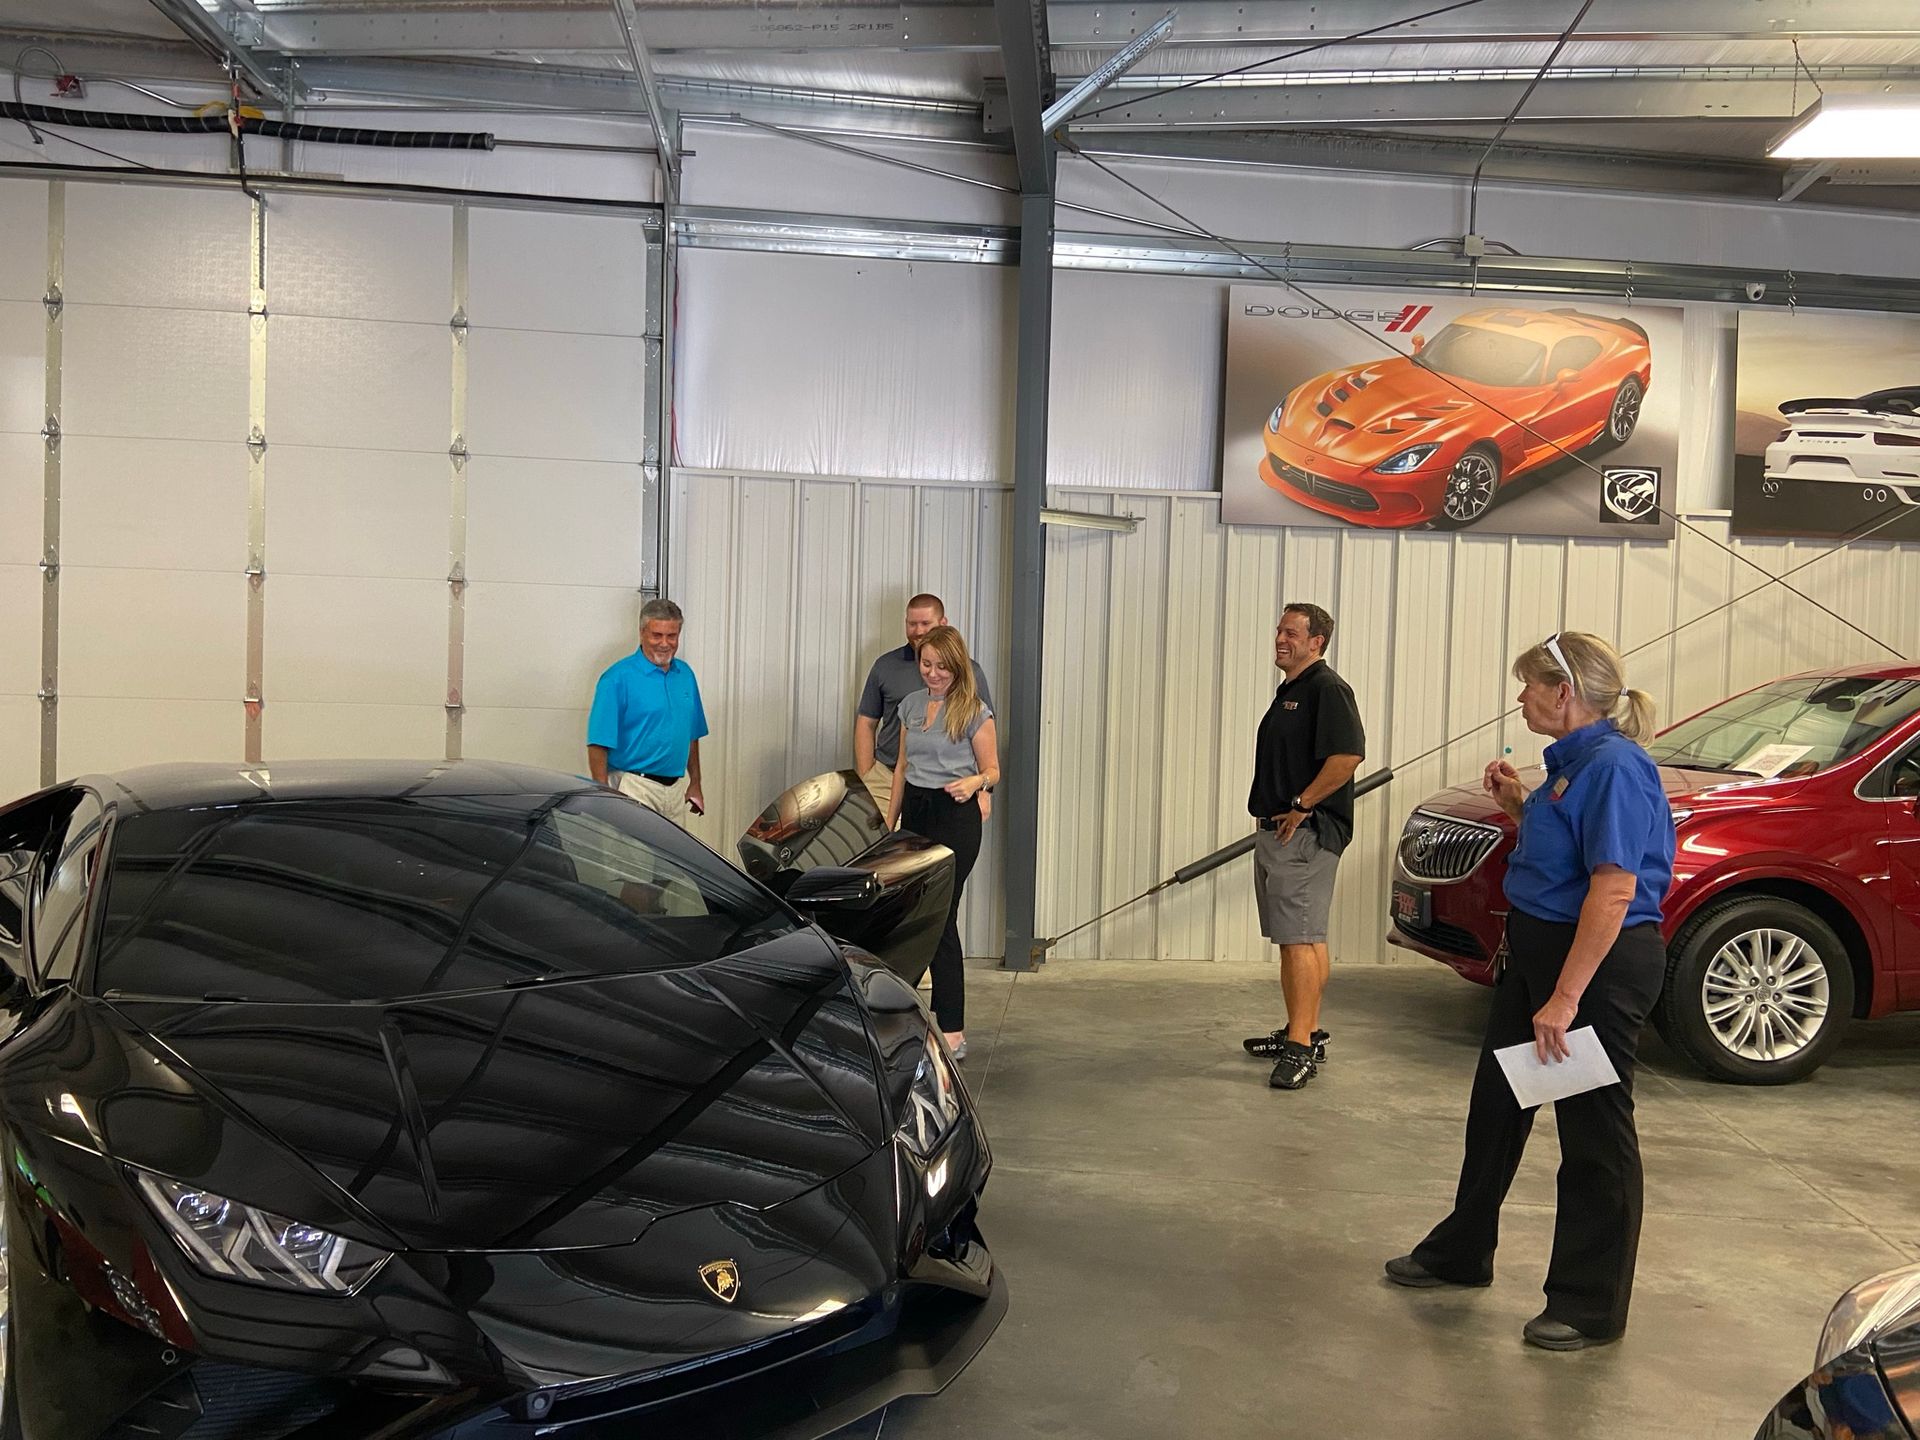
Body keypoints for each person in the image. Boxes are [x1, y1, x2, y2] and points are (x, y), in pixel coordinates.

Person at [1385, 631, 1676, 1353]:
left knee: (1592, 1134)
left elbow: (1612, 891)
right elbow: (1570, 857)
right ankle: (1461, 1251)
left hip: (1596, 970)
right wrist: (1520, 806)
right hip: (1543, 955)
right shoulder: (1570, 766)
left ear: (1564, 693)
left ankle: (1587, 1304)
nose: (1521, 698)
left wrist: (1566, 998)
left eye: (1529, 685)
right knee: (1497, 1106)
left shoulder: (1614, 768)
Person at [1240, 603, 1366, 1091]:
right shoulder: (1292, 691)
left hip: (1305, 834)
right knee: (1305, 937)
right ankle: (1305, 1029)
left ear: (1317, 642)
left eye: (1291, 632)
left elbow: (1349, 755)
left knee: (1299, 939)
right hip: (1280, 830)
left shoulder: (1327, 689)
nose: (1280, 638)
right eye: (1278, 630)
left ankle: (1299, 1047)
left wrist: (1302, 804)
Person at [887, 625, 999, 1060]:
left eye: (941, 668)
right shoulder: (911, 707)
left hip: (955, 817)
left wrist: (975, 783)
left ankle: (952, 1026)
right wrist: (890, 819)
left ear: (957, 667)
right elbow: (900, 767)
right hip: (915, 813)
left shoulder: (974, 711)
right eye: (926, 665)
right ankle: (902, 1012)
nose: (932, 674)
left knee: (941, 915)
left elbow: (993, 770)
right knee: (913, 915)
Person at [856, 594, 993, 821]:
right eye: (912, 623)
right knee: (883, 852)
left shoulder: (971, 673)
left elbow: (986, 740)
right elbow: (866, 722)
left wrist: (984, 792)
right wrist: (866, 774)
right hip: (886, 778)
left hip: (945, 790)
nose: (918, 631)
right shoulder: (885, 667)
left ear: (943, 623)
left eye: (925, 624)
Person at [586, 599, 708, 827]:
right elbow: (597, 743)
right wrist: (602, 795)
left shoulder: (685, 675)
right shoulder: (616, 678)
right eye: (657, 635)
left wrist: (696, 783)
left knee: (672, 862)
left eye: (671, 636)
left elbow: (691, 735)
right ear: (642, 633)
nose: (664, 643)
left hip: (674, 791)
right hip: (632, 786)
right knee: (630, 861)